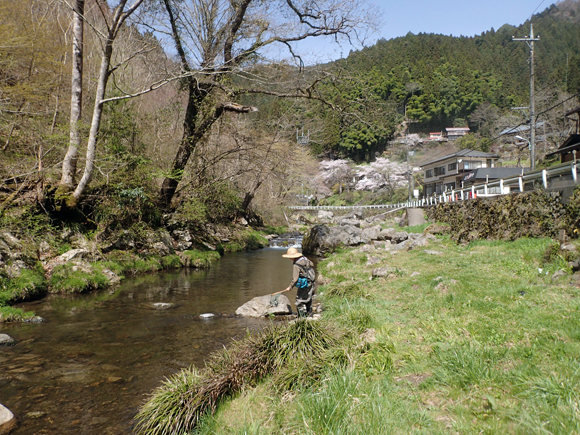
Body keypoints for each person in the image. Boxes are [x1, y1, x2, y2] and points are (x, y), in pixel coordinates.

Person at [281, 247, 315, 317]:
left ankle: (301, 316)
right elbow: (312, 264)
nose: (289, 259)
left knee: (299, 300)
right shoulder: (305, 259)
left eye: (290, 257)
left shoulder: (296, 265)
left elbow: (295, 279)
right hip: (312, 282)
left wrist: (290, 287)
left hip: (305, 284)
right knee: (308, 298)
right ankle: (309, 313)